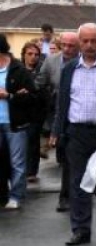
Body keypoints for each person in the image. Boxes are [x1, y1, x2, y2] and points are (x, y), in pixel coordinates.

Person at [52, 24, 96, 245]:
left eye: (94, 41)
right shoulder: (69, 69)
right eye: (85, 41)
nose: (90, 46)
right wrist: (57, 131)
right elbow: (62, 102)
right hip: (77, 133)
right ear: (80, 43)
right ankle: (81, 229)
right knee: (78, 182)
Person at [38, 31, 79, 212]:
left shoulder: (85, 62)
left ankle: (81, 195)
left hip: (80, 117)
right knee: (66, 160)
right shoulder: (51, 61)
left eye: (72, 46)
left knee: (80, 161)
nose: (68, 49)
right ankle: (65, 198)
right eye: (65, 45)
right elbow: (40, 82)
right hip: (59, 114)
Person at [0, 34, 37, 210]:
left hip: (14, 123)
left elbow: (32, 96)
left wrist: (9, 95)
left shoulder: (18, 69)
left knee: (17, 162)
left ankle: (16, 195)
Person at [20, 42, 45, 186]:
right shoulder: (17, 70)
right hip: (19, 113)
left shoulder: (41, 71)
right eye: (30, 54)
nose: (33, 57)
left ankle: (31, 172)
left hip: (35, 112)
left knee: (33, 141)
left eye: (36, 55)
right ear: (24, 55)